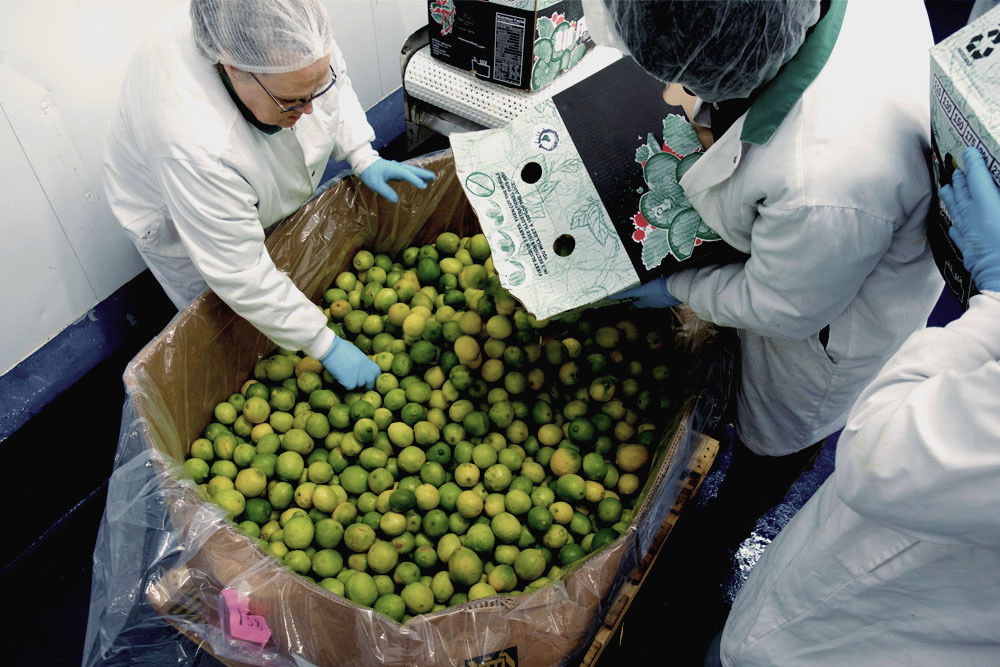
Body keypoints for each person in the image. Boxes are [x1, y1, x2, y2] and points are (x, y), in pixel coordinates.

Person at [585, 0, 944, 546]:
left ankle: (726, 531)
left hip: (822, 333)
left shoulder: (823, 181)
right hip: (819, 246)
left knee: (768, 456)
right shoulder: (777, 23)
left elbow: (781, 307)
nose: (668, 89)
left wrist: (674, 287)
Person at [702, 145, 1000, 665]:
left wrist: (996, 303)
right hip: (878, 582)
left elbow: (879, 459)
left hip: (875, 629)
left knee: (758, 640)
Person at [103, 0, 435, 391]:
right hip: (177, 209)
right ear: (234, 71)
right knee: (223, 312)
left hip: (238, 169)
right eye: (292, 102)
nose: (309, 109)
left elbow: (330, 84)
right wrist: (325, 345)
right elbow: (239, 270)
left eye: (314, 89)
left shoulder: (292, 34)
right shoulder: (194, 144)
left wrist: (362, 153)